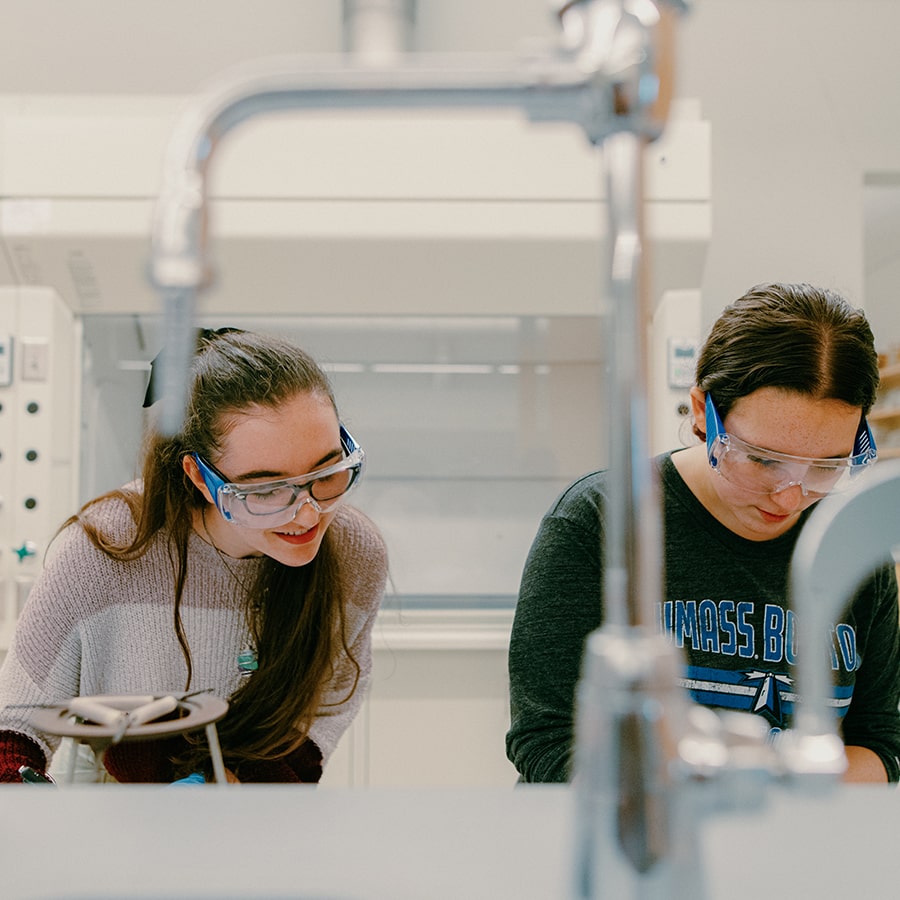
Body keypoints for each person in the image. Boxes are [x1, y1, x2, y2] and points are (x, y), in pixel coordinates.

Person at [507, 282, 900, 784]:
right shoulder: (602, 521)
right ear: (701, 412)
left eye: (826, 466)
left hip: (798, 852)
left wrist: (775, 810)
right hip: (639, 848)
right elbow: (547, 741)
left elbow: (882, 744)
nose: (788, 496)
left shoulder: (854, 548)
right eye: (761, 460)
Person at [0, 327, 387, 783]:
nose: (307, 513)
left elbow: (324, 710)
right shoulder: (107, 548)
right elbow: (14, 722)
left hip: (262, 799)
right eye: (265, 489)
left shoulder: (353, 552)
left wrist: (247, 792)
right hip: (115, 794)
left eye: (326, 472)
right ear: (201, 478)